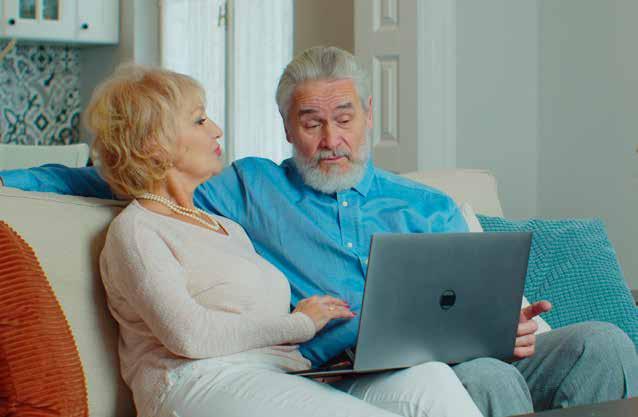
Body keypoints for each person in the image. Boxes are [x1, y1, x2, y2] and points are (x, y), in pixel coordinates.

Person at [1, 46, 636, 417]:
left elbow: (482, 301)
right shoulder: (245, 192)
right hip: (356, 370)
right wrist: (15, 177)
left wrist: (510, 326)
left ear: (369, 116)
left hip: (471, 356)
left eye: (344, 118)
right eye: (310, 122)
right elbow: (123, 174)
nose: (331, 139)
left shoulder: (429, 205)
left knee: (602, 342)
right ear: (286, 127)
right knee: (484, 380)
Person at [79, 64, 483, 417]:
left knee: (431, 383)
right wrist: (300, 323)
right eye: (199, 121)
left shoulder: (223, 226)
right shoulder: (137, 231)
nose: (217, 129)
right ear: (154, 143)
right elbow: (191, 336)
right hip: (197, 381)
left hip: (280, 375)